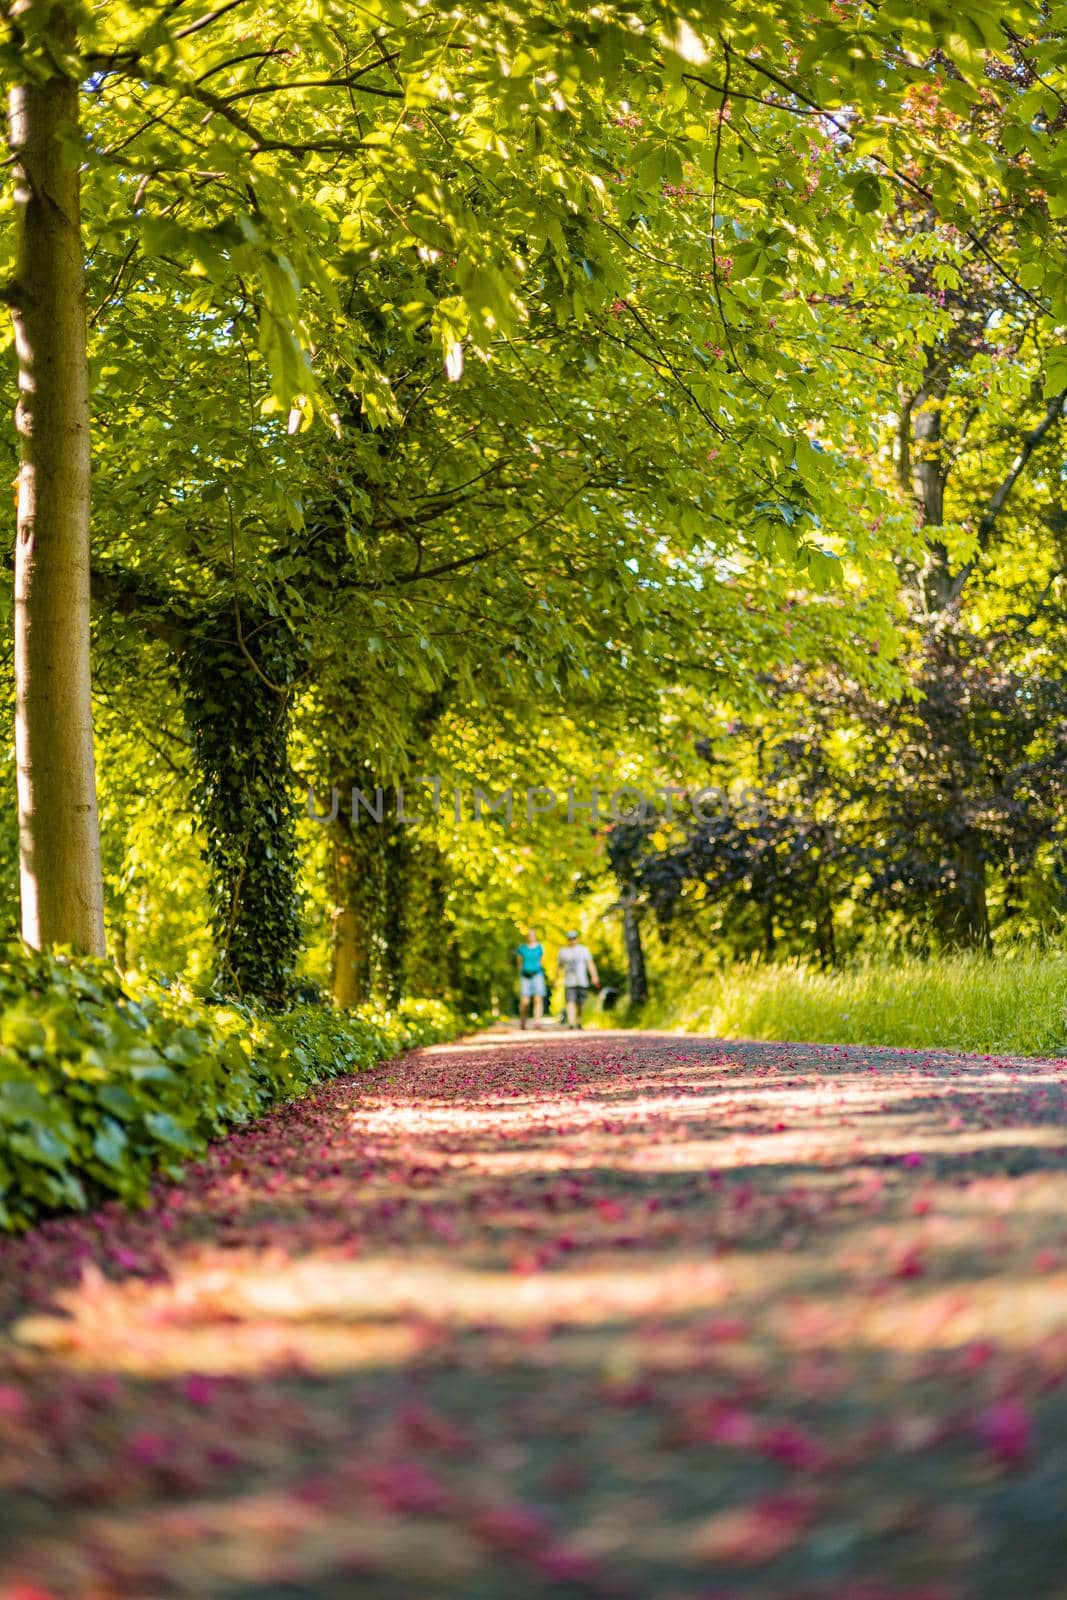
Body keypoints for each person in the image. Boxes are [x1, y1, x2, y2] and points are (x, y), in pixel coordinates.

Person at [557, 929, 599, 1029]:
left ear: (577, 939)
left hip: (582, 981)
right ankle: (571, 1023)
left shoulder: (584, 950)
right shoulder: (563, 952)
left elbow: (590, 964)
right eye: (570, 939)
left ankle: (578, 1021)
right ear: (568, 940)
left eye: (574, 938)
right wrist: (556, 979)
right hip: (569, 982)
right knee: (570, 1001)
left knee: (581, 1003)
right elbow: (559, 967)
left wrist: (594, 976)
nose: (572, 940)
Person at [514, 928, 546, 1029]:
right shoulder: (522, 948)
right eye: (529, 935)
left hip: (537, 974)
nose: (530, 937)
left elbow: (541, 961)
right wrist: (521, 972)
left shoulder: (540, 947)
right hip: (525, 976)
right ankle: (523, 1019)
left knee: (538, 998)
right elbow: (519, 962)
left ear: (535, 936)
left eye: (532, 935)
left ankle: (537, 1022)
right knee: (525, 1001)